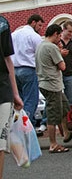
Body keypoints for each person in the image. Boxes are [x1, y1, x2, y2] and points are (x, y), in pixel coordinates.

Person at [36, 24, 72, 153]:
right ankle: (53, 144)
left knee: (64, 106)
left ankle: (66, 132)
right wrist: (61, 54)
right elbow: (62, 66)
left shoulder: (40, 45)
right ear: (56, 34)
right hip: (52, 85)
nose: (60, 39)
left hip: (45, 83)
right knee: (53, 115)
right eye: (59, 36)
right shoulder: (52, 47)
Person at [0, 15, 24, 178]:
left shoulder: (2, 24)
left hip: (3, 89)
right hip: (3, 90)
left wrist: (15, 93)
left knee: (0, 144)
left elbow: (7, 58)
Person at [11, 14, 44, 127]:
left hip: (14, 70)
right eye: (39, 25)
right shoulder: (34, 36)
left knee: (19, 101)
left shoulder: (13, 35)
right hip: (28, 69)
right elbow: (40, 55)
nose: (40, 28)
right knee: (30, 100)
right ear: (33, 22)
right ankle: (25, 126)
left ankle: (18, 124)